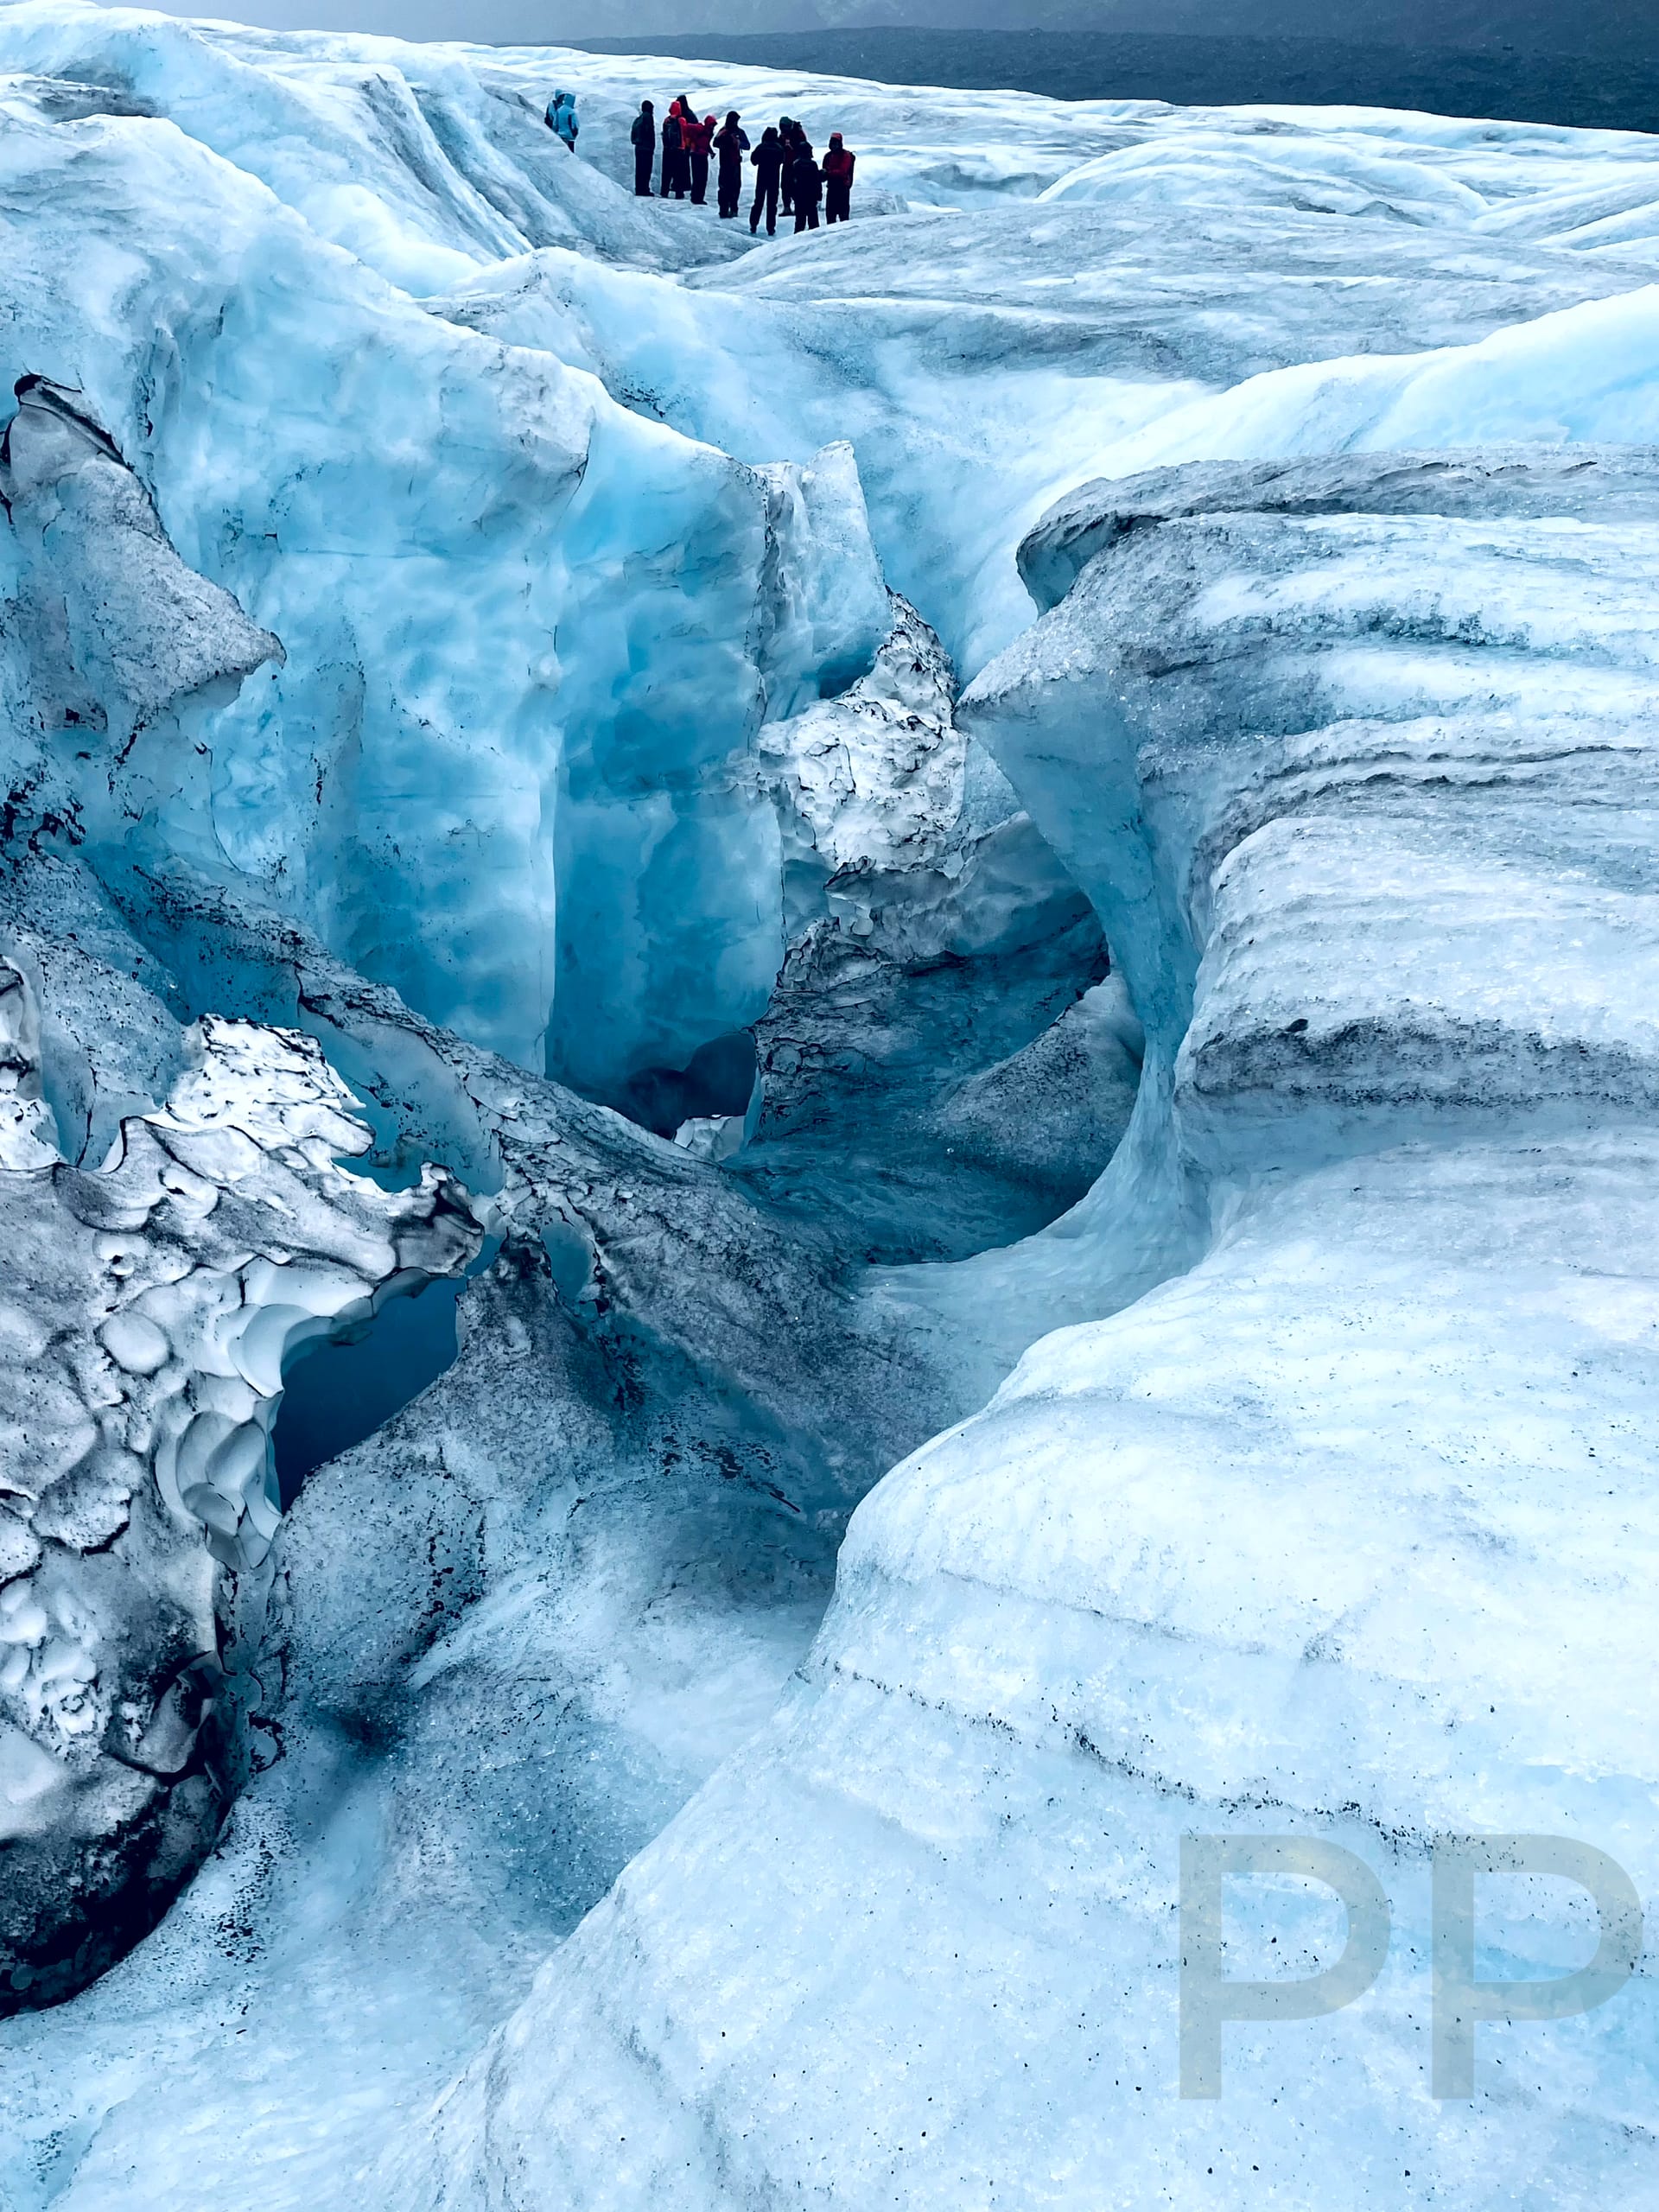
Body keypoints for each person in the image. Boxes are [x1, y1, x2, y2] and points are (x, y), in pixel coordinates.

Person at [749, 124, 785, 236]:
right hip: (774, 178)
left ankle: (753, 224)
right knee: (772, 204)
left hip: (762, 177)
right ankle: (771, 227)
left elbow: (754, 161)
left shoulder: (761, 147)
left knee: (758, 202)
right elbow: (782, 160)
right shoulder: (779, 148)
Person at [713, 111, 750, 219]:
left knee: (734, 187)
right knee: (725, 187)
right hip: (726, 164)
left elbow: (747, 145)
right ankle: (724, 209)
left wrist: (738, 143)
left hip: (734, 164)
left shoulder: (738, 132)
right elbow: (715, 143)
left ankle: (733, 208)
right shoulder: (723, 132)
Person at [791, 135, 823, 232]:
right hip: (811, 196)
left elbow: (792, 182)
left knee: (800, 222)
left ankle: (795, 242)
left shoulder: (796, 164)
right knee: (813, 222)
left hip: (800, 196)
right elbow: (817, 181)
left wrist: (793, 195)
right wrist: (818, 195)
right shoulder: (813, 164)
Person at [823, 130, 855, 223]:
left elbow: (843, 171)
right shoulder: (828, 156)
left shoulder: (846, 156)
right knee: (830, 216)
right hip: (832, 188)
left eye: (836, 143)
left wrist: (828, 173)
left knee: (843, 217)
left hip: (842, 188)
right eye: (832, 143)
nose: (834, 145)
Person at [688, 110, 715, 207]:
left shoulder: (708, 132)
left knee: (702, 178)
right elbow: (687, 127)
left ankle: (698, 197)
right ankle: (696, 198)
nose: (713, 127)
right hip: (696, 155)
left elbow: (706, 144)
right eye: (712, 125)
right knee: (698, 178)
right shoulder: (700, 129)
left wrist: (711, 152)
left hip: (702, 155)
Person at [631, 99, 656, 196]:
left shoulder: (640, 118)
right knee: (646, 170)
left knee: (639, 169)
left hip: (639, 147)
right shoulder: (648, 117)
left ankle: (639, 189)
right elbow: (648, 131)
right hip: (646, 148)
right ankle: (644, 189)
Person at [660, 100, 684, 199]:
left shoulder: (666, 120)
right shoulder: (681, 120)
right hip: (679, 149)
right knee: (678, 172)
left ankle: (664, 191)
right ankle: (679, 192)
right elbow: (684, 133)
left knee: (666, 172)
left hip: (667, 149)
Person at [778, 115, 796, 219]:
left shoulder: (797, 134)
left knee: (795, 185)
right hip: (786, 164)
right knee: (785, 185)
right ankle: (787, 207)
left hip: (796, 164)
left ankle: (798, 205)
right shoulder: (783, 136)